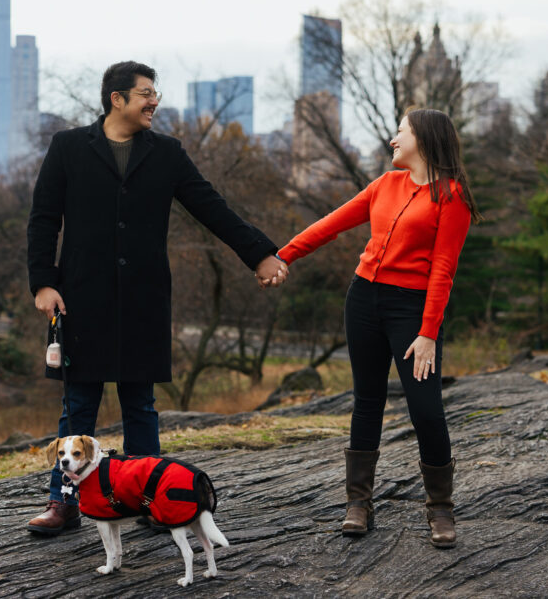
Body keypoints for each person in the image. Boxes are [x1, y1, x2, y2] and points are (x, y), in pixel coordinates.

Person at [25, 60, 287, 535]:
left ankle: (150, 500)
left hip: (144, 297)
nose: (155, 101)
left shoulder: (166, 153)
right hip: (80, 295)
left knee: (140, 403)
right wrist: (44, 282)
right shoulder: (68, 148)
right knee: (78, 405)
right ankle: (63, 504)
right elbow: (43, 218)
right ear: (116, 99)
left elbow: (212, 207)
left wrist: (260, 254)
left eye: (155, 93)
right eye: (146, 93)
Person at [276, 107, 480, 548]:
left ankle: (440, 507)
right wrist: (283, 256)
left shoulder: (452, 196)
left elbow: (444, 269)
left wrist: (428, 333)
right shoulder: (384, 185)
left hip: (412, 310)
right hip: (363, 299)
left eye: (400, 132)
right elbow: (330, 225)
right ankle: (358, 503)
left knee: (425, 408)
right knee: (367, 400)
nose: (393, 139)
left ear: (422, 139)